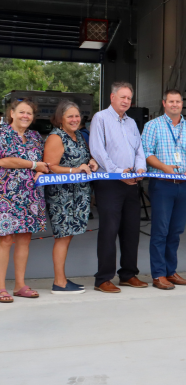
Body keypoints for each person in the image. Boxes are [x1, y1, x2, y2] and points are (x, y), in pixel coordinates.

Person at [89, 82, 147, 294]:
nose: (126, 101)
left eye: (129, 99)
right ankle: (103, 278)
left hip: (131, 182)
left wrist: (140, 169)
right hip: (109, 183)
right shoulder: (101, 118)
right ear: (112, 97)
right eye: (122, 97)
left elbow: (139, 149)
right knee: (109, 231)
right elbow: (98, 150)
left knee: (132, 230)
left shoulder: (131, 123)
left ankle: (128, 274)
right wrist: (117, 173)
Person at [141, 89, 186, 290]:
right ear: (164, 103)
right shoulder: (152, 126)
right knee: (161, 230)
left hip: (184, 186)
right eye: (171, 101)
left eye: (178, 101)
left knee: (175, 231)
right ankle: (158, 274)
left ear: (182, 104)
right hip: (162, 184)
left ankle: (170, 271)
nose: (175, 105)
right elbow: (147, 154)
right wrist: (165, 168)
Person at [44, 101, 98, 294]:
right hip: (62, 196)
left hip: (78, 194)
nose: (75, 120)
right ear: (60, 119)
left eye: (77, 116)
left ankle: (62, 279)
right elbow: (50, 166)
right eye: (70, 117)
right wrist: (75, 169)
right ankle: (59, 282)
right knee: (62, 237)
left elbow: (83, 160)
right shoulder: (56, 137)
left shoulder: (77, 137)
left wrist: (91, 163)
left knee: (67, 237)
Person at [0, 98, 49, 303]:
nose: (25, 116)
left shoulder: (35, 137)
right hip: (6, 195)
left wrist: (41, 171)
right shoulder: (2, 133)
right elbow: (3, 161)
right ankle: (1, 287)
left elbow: (45, 163)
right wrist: (33, 164)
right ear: (12, 113)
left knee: (24, 239)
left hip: (30, 195)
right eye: (21, 112)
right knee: (5, 240)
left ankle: (20, 285)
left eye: (29, 113)